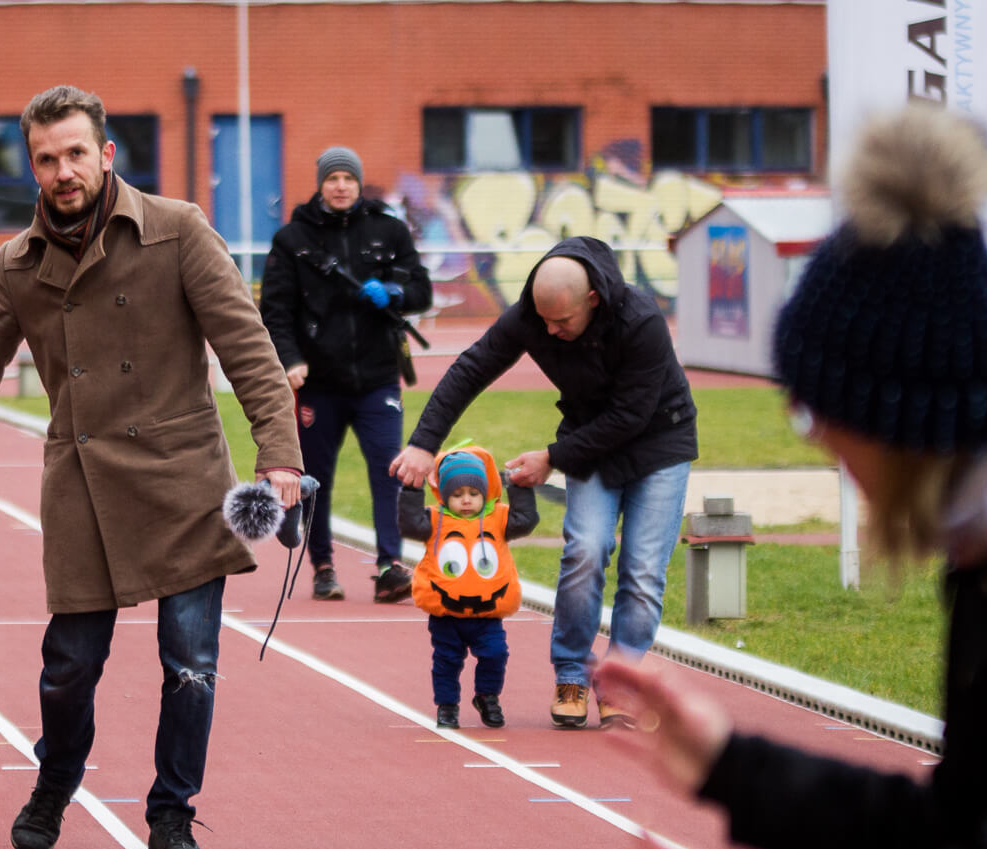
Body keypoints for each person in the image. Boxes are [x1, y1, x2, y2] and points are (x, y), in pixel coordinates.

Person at [548, 106, 987, 849]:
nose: (816, 444)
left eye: (816, 417)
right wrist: (738, 770)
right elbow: (967, 818)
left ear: (901, 424)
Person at [0, 85, 302, 849]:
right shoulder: (19, 266)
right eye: (47, 158)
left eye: (76, 153)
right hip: (82, 486)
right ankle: (56, 779)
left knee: (190, 664)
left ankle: (172, 817)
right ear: (33, 166)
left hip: (185, 481)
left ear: (106, 154)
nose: (64, 171)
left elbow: (246, 345)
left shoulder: (178, 230)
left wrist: (278, 453)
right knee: (69, 666)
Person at [391, 237, 695, 729]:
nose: (550, 331)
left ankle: (619, 682)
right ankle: (571, 674)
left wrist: (552, 458)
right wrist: (425, 443)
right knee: (586, 551)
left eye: (562, 321)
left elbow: (630, 416)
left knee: (642, 572)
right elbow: (472, 368)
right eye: (544, 320)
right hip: (588, 439)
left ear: (592, 298)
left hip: (660, 441)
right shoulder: (534, 315)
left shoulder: (641, 321)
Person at [261, 146, 432, 603]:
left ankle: (390, 565)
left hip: (378, 378)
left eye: (348, 178)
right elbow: (275, 311)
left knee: (388, 470)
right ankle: (323, 567)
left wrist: (394, 292)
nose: (341, 186)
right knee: (316, 477)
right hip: (319, 382)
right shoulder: (292, 239)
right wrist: (290, 359)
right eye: (332, 178)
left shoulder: (389, 230)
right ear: (321, 184)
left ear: (359, 183)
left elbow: (421, 289)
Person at [397, 445, 537, 729]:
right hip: (446, 616)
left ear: (484, 493)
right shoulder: (434, 520)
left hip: (487, 615)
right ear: (444, 495)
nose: (465, 500)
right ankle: (447, 706)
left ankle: (487, 696)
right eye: (457, 494)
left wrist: (519, 486)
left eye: (473, 493)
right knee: (446, 661)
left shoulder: (497, 519)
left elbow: (525, 520)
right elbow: (409, 524)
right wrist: (412, 488)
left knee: (495, 654)